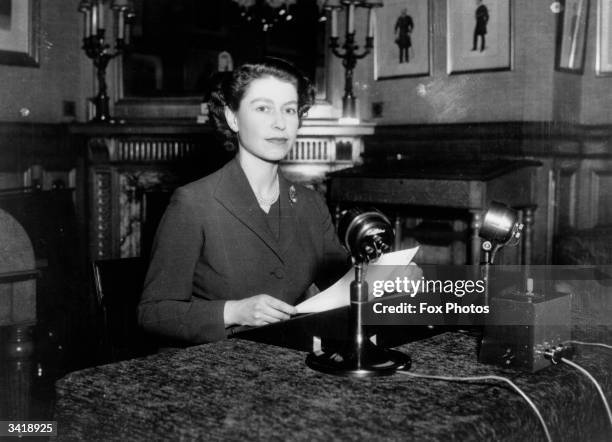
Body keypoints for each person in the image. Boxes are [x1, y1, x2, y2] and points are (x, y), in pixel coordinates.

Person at [138, 58, 350, 344]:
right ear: (232, 118)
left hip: (293, 359)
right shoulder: (193, 203)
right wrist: (233, 311)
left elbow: (341, 286)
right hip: (218, 367)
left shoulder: (311, 203)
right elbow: (153, 314)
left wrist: (385, 279)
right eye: (263, 108)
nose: (279, 123)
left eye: (289, 109)